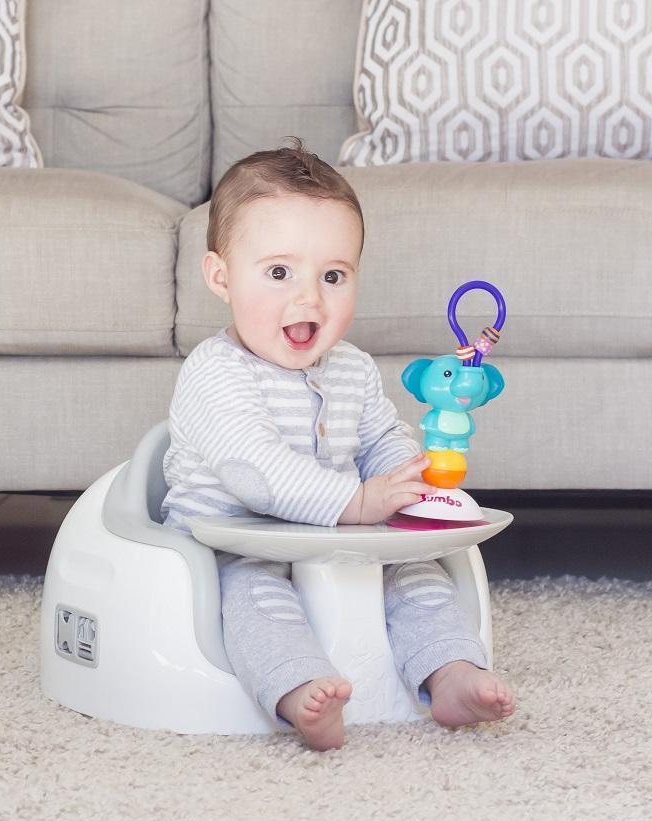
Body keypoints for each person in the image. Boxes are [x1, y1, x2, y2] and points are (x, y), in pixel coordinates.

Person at [161, 138, 515, 750]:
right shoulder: (215, 373)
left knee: (418, 574)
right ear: (221, 277)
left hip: (336, 538)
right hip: (233, 539)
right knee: (252, 599)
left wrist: (414, 479)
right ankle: (299, 690)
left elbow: (378, 437)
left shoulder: (350, 367)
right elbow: (255, 471)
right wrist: (358, 502)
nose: (309, 298)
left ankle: (450, 670)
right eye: (278, 273)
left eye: (333, 275)